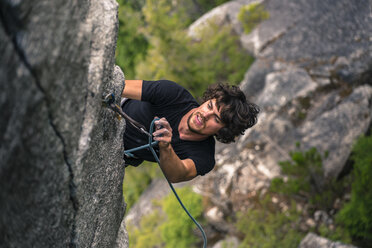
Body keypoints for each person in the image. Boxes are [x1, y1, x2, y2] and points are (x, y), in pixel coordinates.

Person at [121, 79, 259, 183]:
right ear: (207, 100)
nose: (205, 115)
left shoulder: (203, 156)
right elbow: (120, 86)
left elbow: (177, 175)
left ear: (223, 131)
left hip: (120, 155)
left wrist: (166, 147)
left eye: (216, 119)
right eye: (209, 106)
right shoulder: (173, 94)